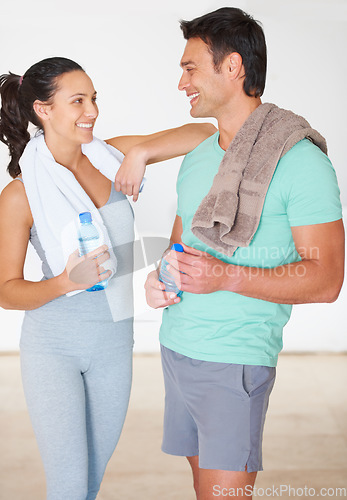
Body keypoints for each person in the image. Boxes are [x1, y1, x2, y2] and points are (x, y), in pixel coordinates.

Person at [144, 7, 345, 500]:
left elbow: (326, 280)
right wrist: (159, 276)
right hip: (177, 347)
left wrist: (224, 277)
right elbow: (180, 245)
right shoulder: (198, 157)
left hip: (234, 360)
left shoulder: (300, 163)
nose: (181, 83)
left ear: (232, 67)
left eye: (190, 68)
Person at [0, 57, 216, 500]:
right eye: (77, 100)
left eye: (94, 98)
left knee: (89, 485)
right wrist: (66, 281)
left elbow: (206, 134)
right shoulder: (21, 194)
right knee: (68, 486)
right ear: (43, 109)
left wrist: (139, 154)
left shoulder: (109, 154)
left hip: (114, 342)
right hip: (53, 346)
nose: (92, 110)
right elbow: (5, 291)